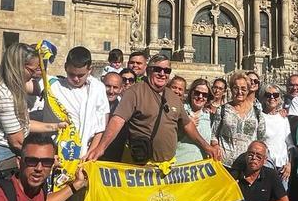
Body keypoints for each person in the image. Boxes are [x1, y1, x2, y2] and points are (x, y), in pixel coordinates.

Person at [84, 54, 219, 164]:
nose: (162, 73)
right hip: (141, 167)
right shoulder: (135, 91)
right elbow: (118, 120)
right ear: (149, 70)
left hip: (169, 167)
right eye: (157, 69)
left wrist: (206, 146)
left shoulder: (173, 97)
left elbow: (188, 124)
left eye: (166, 71)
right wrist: (101, 148)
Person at [0, 43, 65, 190]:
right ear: (18, 66)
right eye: (32, 70)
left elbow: (24, 124)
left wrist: (55, 126)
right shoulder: (3, 94)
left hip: (2, 155)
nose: (35, 74)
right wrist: (46, 158)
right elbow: (17, 140)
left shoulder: (14, 88)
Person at [47, 47, 111, 201]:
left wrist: (91, 153)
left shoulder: (98, 89)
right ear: (65, 67)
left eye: (80, 75)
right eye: (71, 74)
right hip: (55, 160)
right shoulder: (53, 85)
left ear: (89, 70)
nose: (75, 79)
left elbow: (101, 125)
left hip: (80, 162)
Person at [213, 72, 267, 168]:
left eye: (243, 89)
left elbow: (261, 138)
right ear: (231, 89)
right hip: (224, 164)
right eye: (236, 88)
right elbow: (214, 135)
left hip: (249, 165)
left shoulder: (257, 112)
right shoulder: (222, 110)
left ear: (248, 90)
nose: (239, 92)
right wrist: (215, 146)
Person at [261, 84, 294, 186]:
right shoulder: (259, 117)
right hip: (265, 164)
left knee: (283, 198)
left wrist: (289, 164)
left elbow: (289, 143)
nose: (272, 98)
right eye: (268, 95)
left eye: (275, 95)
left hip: (283, 166)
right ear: (263, 97)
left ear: (279, 98)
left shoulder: (283, 118)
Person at [176, 79, 215, 164]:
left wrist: (215, 145)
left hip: (200, 169)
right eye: (197, 93)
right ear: (191, 93)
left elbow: (213, 137)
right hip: (179, 166)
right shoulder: (180, 110)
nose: (200, 97)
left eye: (204, 95)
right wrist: (183, 126)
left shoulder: (209, 116)